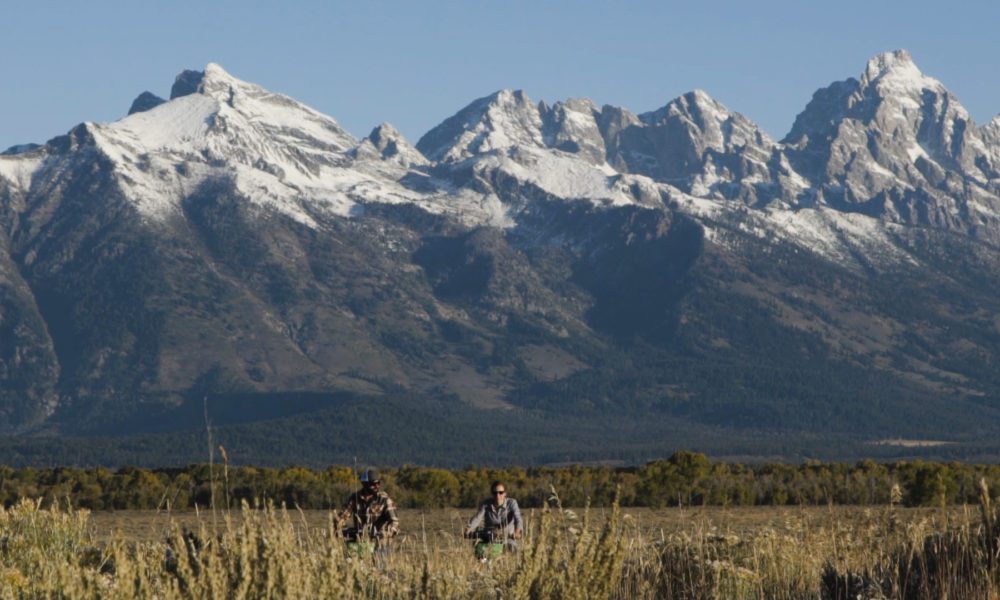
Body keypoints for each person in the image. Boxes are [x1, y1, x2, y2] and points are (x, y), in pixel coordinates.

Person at [337, 468, 399, 545]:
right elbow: (343, 516)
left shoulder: (384, 500)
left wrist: (386, 534)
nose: (376, 486)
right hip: (360, 540)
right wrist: (336, 527)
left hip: (380, 543)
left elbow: (394, 521)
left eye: (378, 483)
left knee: (381, 554)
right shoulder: (355, 498)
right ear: (364, 484)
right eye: (373, 484)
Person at [464, 480, 523, 551]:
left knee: (511, 549)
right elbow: (478, 518)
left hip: (507, 538)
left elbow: (518, 518)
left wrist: (517, 531)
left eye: (501, 493)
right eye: (495, 493)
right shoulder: (486, 504)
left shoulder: (512, 503)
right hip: (489, 538)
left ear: (505, 493)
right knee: (480, 551)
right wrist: (469, 528)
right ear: (492, 494)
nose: (497, 495)